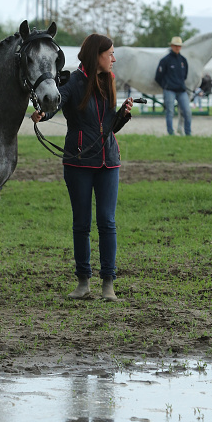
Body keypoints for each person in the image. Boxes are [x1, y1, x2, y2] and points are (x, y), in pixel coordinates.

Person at [32, 33, 133, 301]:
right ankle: (83, 283)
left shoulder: (109, 81)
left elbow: (108, 127)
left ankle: (108, 285)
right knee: (81, 224)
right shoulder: (74, 81)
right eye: (109, 53)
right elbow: (57, 101)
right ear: (95, 55)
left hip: (108, 161)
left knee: (107, 222)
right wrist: (44, 113)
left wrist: (121, 115)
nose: (113, 58)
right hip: (78, 161)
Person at [154, 36, 192, 136]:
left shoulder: (183, 60)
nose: (177, 48)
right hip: (169, 90)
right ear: (171, 46)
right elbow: (158, 76)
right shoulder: (165, 60)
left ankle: (188, 133)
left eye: (179, 46)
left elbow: (185, 75)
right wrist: (165, 86)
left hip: (181, 90)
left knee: (187, 112)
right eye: (175, 46)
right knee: (170, 112)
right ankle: (170, 133)